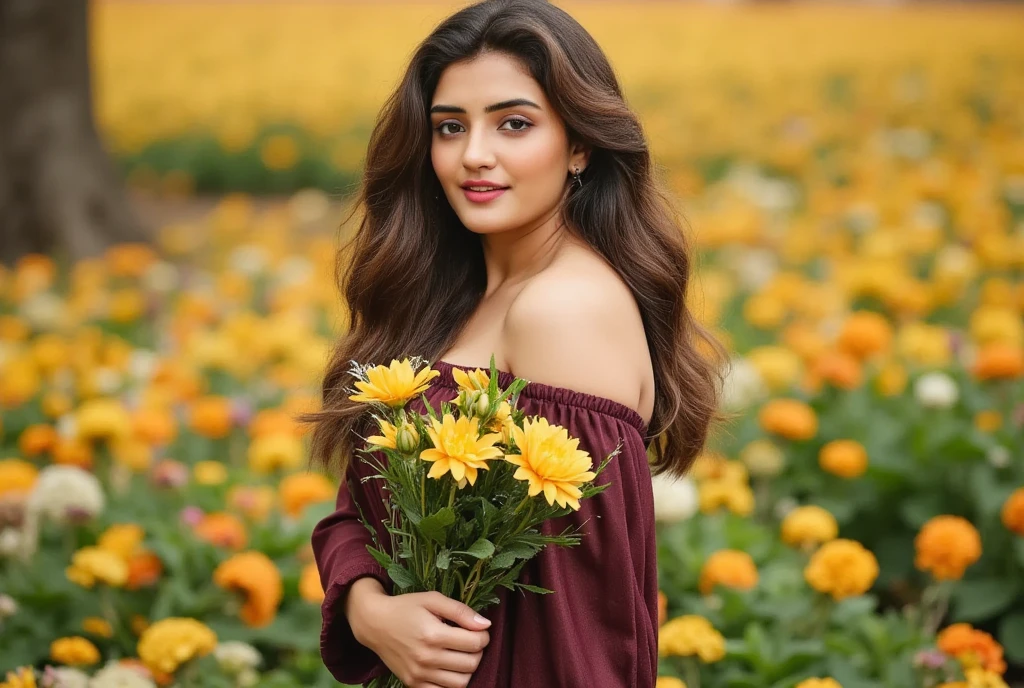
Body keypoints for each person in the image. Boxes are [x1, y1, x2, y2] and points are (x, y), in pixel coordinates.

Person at [304, 1, 729, 686]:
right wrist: (369, 613)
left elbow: (582, 633)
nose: (474, 154)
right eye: (450, 127)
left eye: (514, 124)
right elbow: (360, 511)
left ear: (580, 144)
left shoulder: (565, 311)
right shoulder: (452, 297)